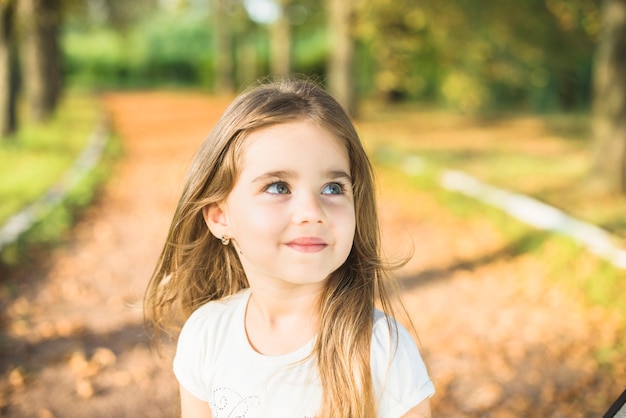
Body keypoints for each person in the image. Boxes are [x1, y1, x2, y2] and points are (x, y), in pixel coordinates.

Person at [144, 78, 435, 418]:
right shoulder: (206, 335)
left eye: (332, 188)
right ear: (221, 217)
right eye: (279, 186)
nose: (312, 212)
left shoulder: (382, 351)